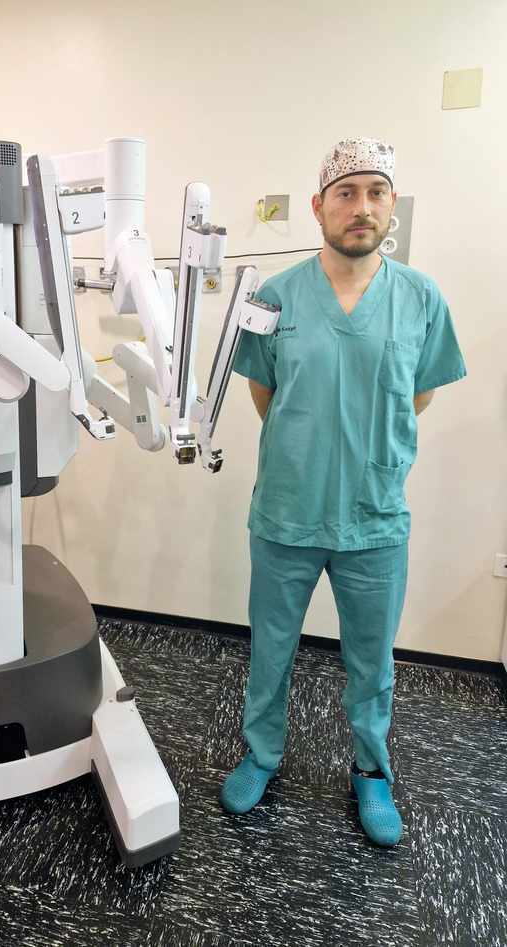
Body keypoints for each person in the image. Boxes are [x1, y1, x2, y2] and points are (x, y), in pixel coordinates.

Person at [221, 138, 466, 846]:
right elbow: (264, 392)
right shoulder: (275, 296)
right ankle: (262, 753)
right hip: (287, 512)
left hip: (375, 517)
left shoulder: (421, 297)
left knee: (372, 660)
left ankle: (372, 771)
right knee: (270, 647)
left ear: (391, 206)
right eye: (347, 192)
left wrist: (367, 454)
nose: (363, 208)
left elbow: (416, 395)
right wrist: (312, 449)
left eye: (376, 193)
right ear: (318, 206)